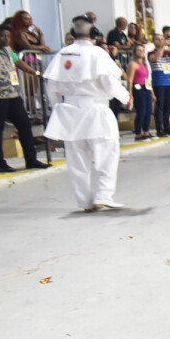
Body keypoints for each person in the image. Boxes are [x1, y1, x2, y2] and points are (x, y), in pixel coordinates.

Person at [43, 16, 131, 210]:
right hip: (95, 109)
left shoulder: (63, 54)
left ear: (72, 34)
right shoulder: (97, 53)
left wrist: (59, 107)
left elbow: (52, 88)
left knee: (76, 160)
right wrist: (126, 97)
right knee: (106, 153)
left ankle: (84, 201)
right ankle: (103, 195)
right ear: (94, 35)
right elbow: (108, 83)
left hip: (69, 112)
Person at [0, 24, 50, 172]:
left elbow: (18, 62)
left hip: (12, 93)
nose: (6, 39)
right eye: (2, 36)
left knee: (24, 124)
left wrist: (36, 73)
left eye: (8, 36)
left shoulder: (7, 50)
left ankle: (31, 160)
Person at [148, 33, 170, 136]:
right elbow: (156, 58)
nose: (160, 41)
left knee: (167, 106)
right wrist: (163, 46)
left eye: (162, 39)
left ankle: (167, 127)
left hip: (168, 82)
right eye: (158, 39)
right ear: (154, 41)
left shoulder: (167, 53)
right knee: (160, 106)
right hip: (158, 83)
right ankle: (159, 129)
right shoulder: (151, 53)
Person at [125, 41, 153, 140]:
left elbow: (148, 79)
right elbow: (130, 79)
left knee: (148, 110)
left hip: (146, 87)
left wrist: (151, 92)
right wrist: (130, 93)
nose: (141, 52)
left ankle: (146, 130)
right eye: (139, 50)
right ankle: (138, 132)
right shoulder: (133, 64)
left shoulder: (144, 64)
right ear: (135, 52)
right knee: (141, 110)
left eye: (142, 50)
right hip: (138, 87)